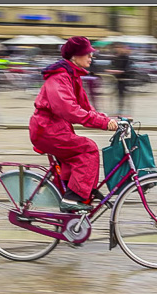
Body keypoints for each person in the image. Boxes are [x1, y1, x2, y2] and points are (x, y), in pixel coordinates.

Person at [29, 36, 118, 213]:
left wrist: (109, 119)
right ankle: (72, 198)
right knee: (88, 149)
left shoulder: (72, 76)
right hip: (47, 130)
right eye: (88, 53)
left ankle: (79, 197)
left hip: (55, 128)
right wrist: (103, 123)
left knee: (78, 156)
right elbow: (69, 110)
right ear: (75, 56)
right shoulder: (59, 77)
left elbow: (85, 107)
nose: (91, 57)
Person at [110, 42, 133, 116]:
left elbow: (127, 69)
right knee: (119, 96)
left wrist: (119, 71)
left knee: (123, 96)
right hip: (117, 80)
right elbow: (113, 65)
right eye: (116, 48)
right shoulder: (116, 57)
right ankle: (120, 110)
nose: (117, 49)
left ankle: (124, 111)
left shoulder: (126, 57)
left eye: (119, 48)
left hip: (125, 80)